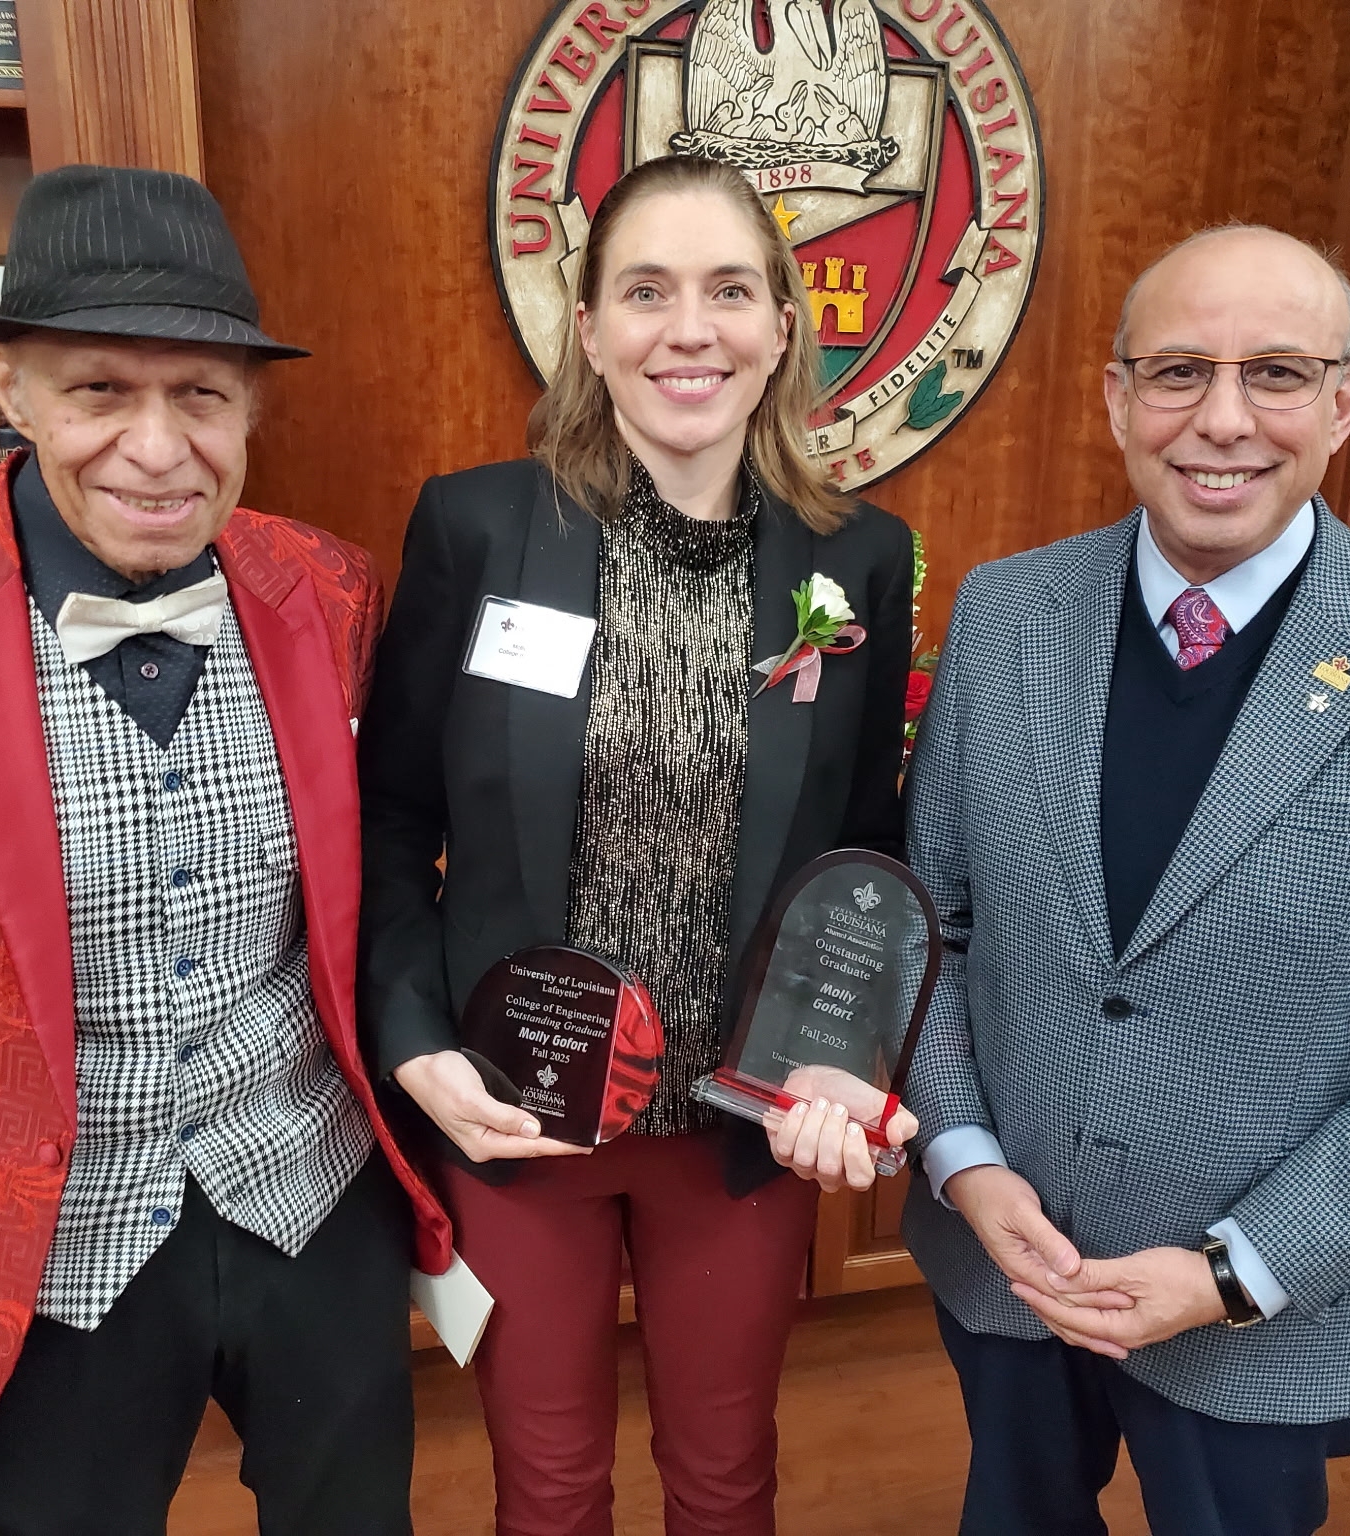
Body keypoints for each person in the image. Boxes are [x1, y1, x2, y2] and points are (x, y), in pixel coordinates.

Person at [0, 164, 449, 1536]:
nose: (159, 448)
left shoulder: (331, 588)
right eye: (100, 390)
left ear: (253, 408)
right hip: (32, 1251)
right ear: (11, 392)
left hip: (308, 1192)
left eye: (202, 395)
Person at [901, 224, 1350, 1536]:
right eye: (1178, 372)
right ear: (1116, 397)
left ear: (1345, 401)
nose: (1222, 420)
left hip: (1264, 1309)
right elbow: (936, 928)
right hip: (1009, 1262)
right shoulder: (1005, 613)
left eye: (1277, 374)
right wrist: (968, 1165)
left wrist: (1230, 1272)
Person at [358, 153, 916, 1535]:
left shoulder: (859, 561)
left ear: (781, 326)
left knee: (725, 1479)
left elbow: (867, 846)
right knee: (547, 1488)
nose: (690, 329)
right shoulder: (479, 527)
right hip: (519, 1106)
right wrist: (415, 1037)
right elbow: (391, 815)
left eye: (730, 290)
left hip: (738, 1130)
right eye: (647, 291)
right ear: (590, 326)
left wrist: (850, 1064)